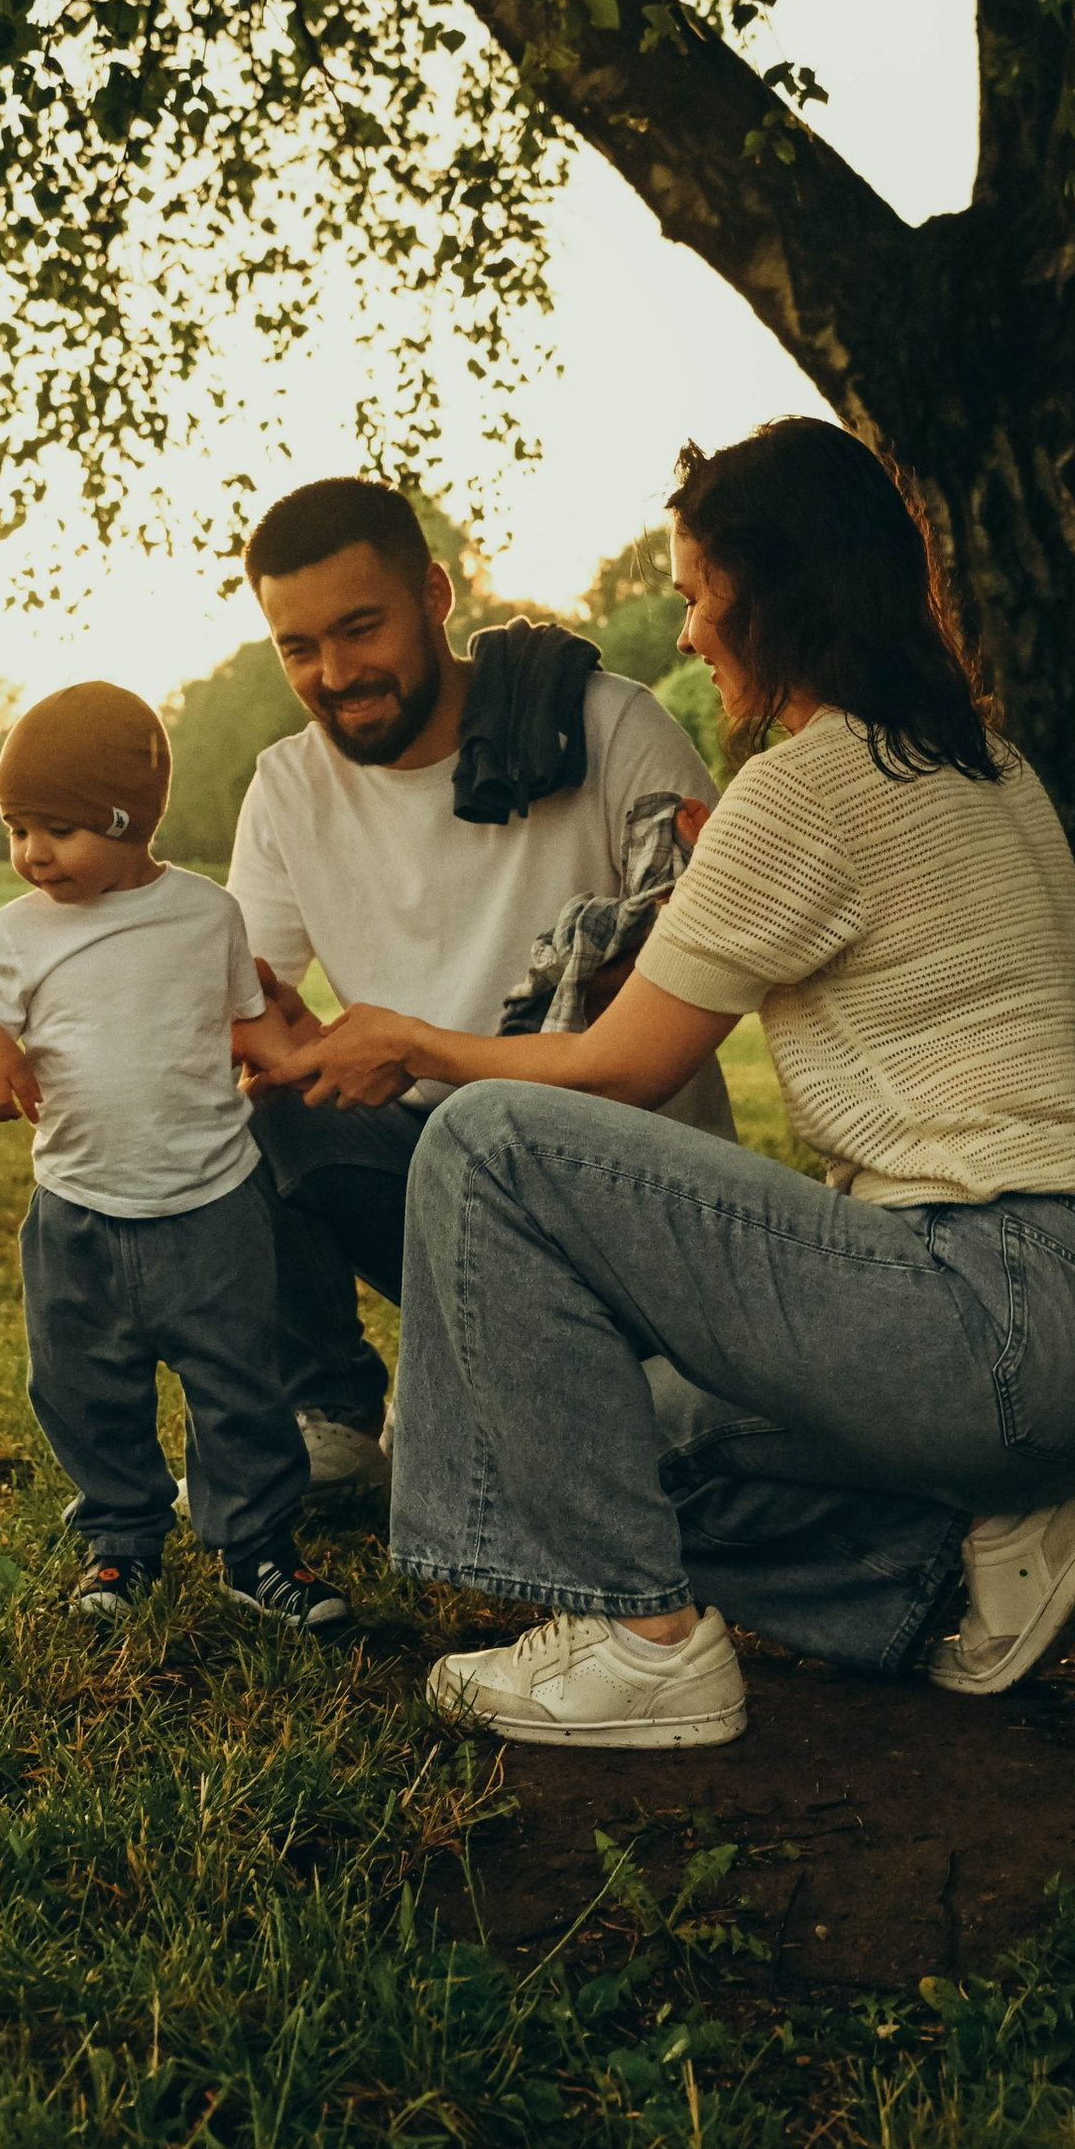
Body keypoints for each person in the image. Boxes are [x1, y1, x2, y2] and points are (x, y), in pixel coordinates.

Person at [278, 420, 1075, 1748]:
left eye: (698, 597)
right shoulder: (988, 763)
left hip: (978, 1306)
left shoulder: (808, 786)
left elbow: (616, 1069)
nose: (689, 633)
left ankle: (642, 1646)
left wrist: (412, 1045)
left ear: (771, 589)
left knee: (484, 1144)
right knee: (583, 1440)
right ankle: (967, 1563)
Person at [227, 477, 727, 1508]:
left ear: (436, 596)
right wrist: (275, 1043)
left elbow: (679, 993)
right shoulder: (288, 786)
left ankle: (531, 1376)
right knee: (238, 1121)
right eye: (298, 647)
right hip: (433, 1173)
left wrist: (408, 1047)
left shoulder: (609, 725)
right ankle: (328, 1422)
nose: (335, 673)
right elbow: (251, 1002)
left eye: (361, 628)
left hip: (627, 1194)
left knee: (601, 1455)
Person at [0, 679, 348, 1638]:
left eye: (62, 828)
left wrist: (314, 1065)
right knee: (83, 1387)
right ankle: (122, 1536)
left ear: (130, 820)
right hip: (76, 1211)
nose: (33, 853)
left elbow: (247, 1028)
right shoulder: (18, 930)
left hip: (211, 1204)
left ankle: (257, 1550)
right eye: (18, 828)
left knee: (239, 1384)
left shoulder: (207, 915)